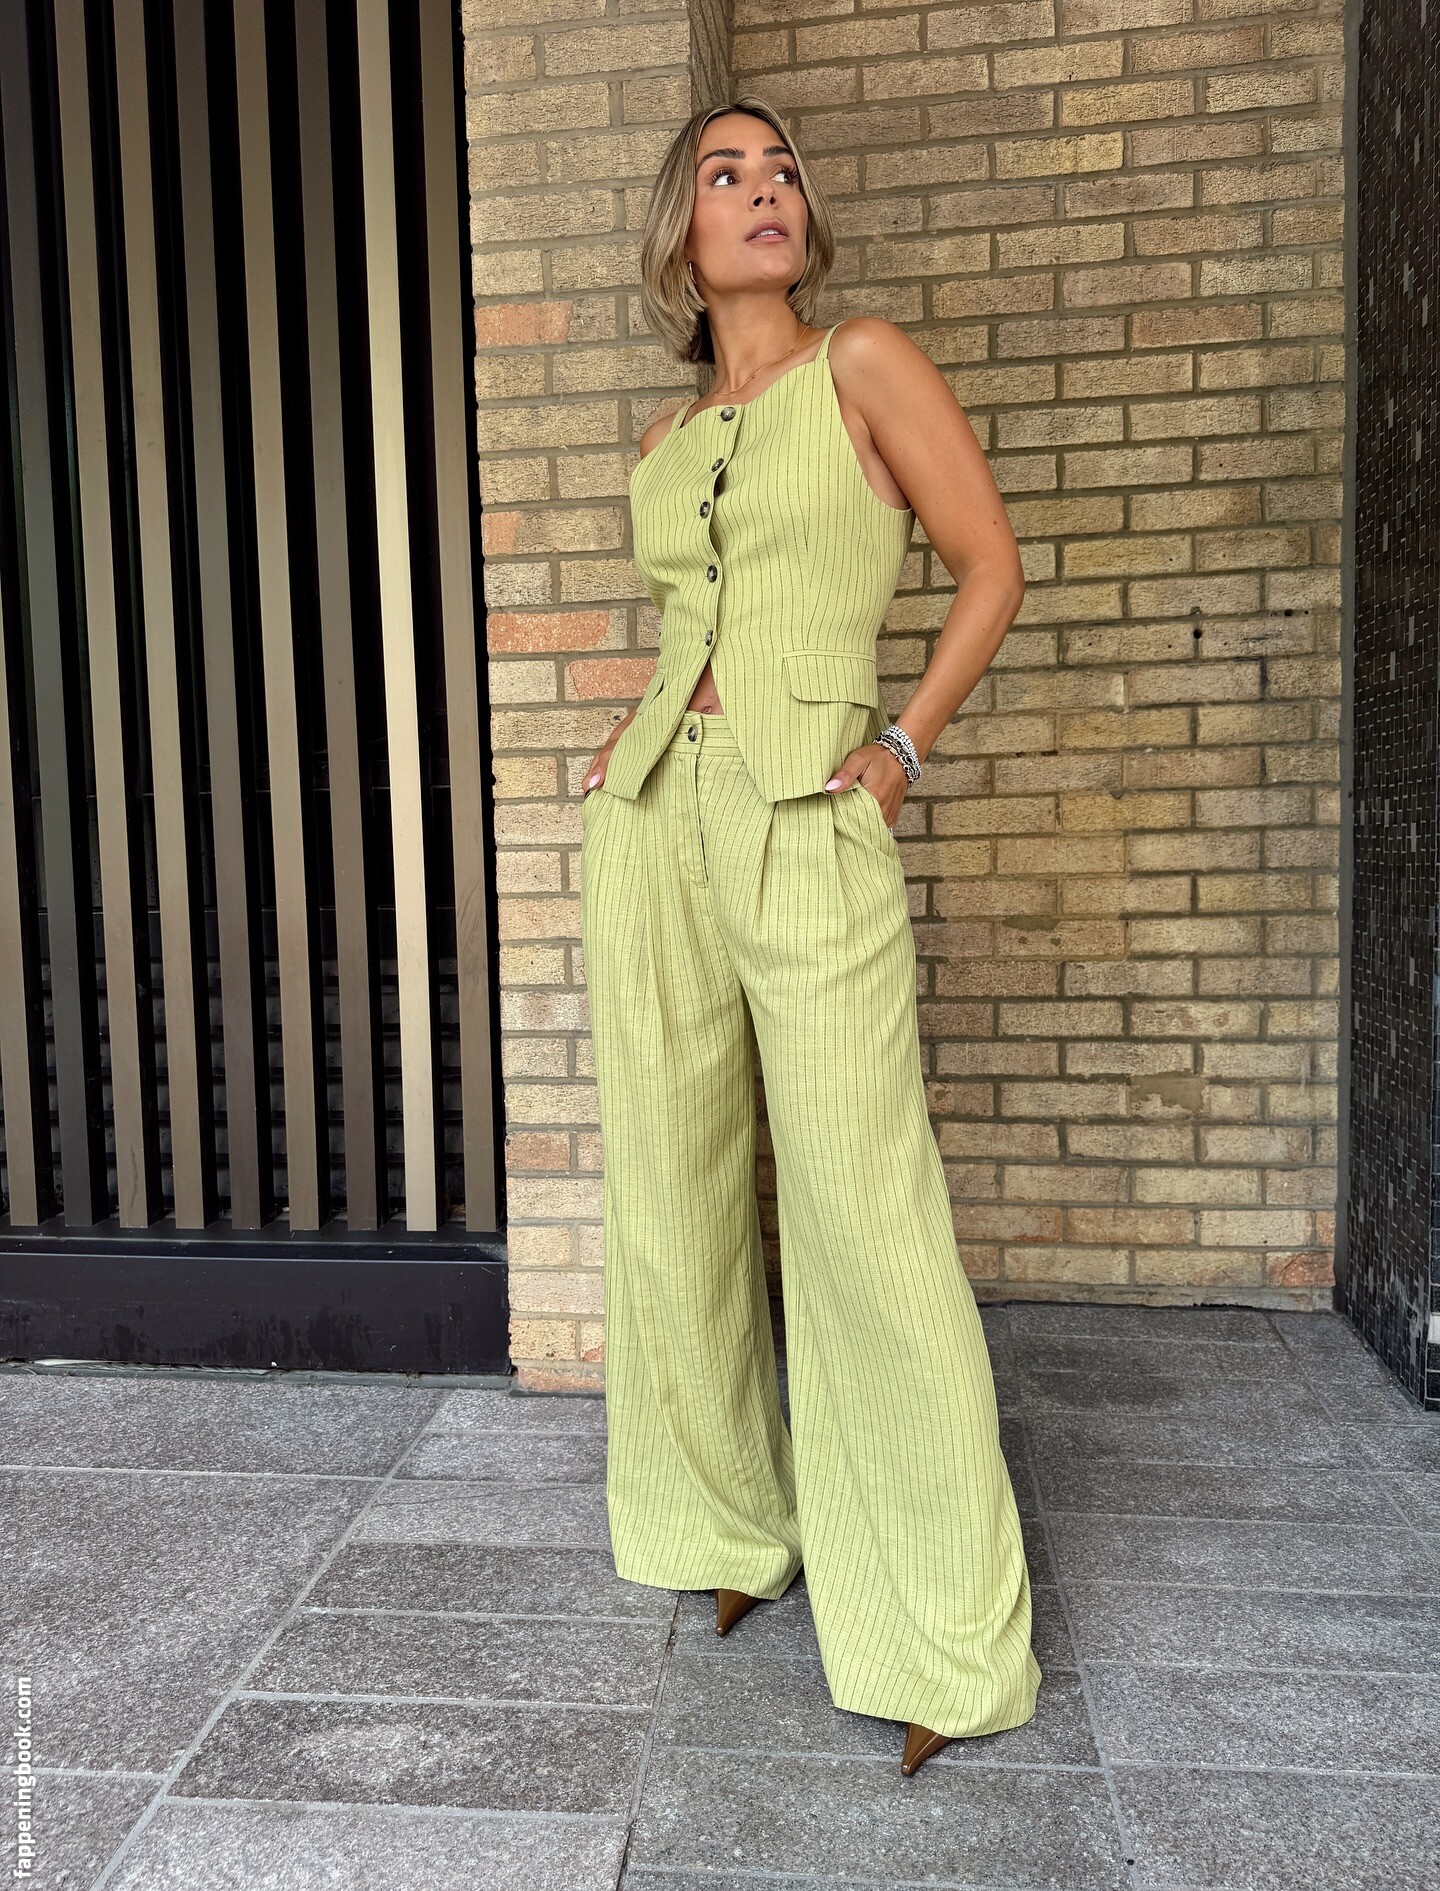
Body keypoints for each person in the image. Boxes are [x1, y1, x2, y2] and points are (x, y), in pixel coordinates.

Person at [577, 94, 1041, 1778]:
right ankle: (729, 1525)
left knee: (863, 1207)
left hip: (810, 813)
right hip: (657, 822)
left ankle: (938, 1623)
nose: (764, 191)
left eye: (781, 172)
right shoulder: (663, 436)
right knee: (675, 1184)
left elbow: (990, 568)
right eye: (727, 173)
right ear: (682, 231)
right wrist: (629, 757)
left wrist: (901, 748)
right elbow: (687, 630)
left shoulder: (864, 365)